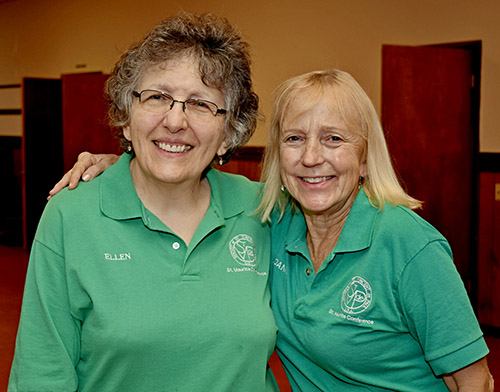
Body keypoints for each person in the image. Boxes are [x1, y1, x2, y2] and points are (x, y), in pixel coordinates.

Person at [48, 69, 495, 391]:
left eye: (334, 139)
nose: (311, 157)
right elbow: (177, 174)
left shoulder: (408, 244)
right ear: (277, 153)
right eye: (295, 138)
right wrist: (122, 165)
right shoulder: (270, 221)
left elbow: (475, 381)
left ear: (365, 159)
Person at [9, 13, 278, 392]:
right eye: (156, 97)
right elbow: (42, 372)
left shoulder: (262, 210)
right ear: (125, 118)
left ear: (228, 134)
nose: (174, 120)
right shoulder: (71, 215)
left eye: (201, 104)